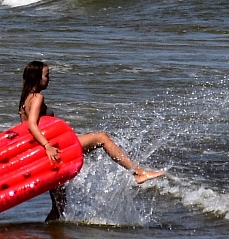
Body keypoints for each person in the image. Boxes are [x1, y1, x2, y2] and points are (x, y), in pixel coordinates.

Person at [18, 62, 164, 222]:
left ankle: (49, 232)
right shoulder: (38, 97)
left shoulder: (25, 100)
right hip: (54, 151)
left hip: (46, 156)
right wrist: (47, 146)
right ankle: (138, 172)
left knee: (59, 207)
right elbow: (32, 125)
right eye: (47, 75)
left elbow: (29, 128)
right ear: (37, 77)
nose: (49, 78)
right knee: (102, 138)